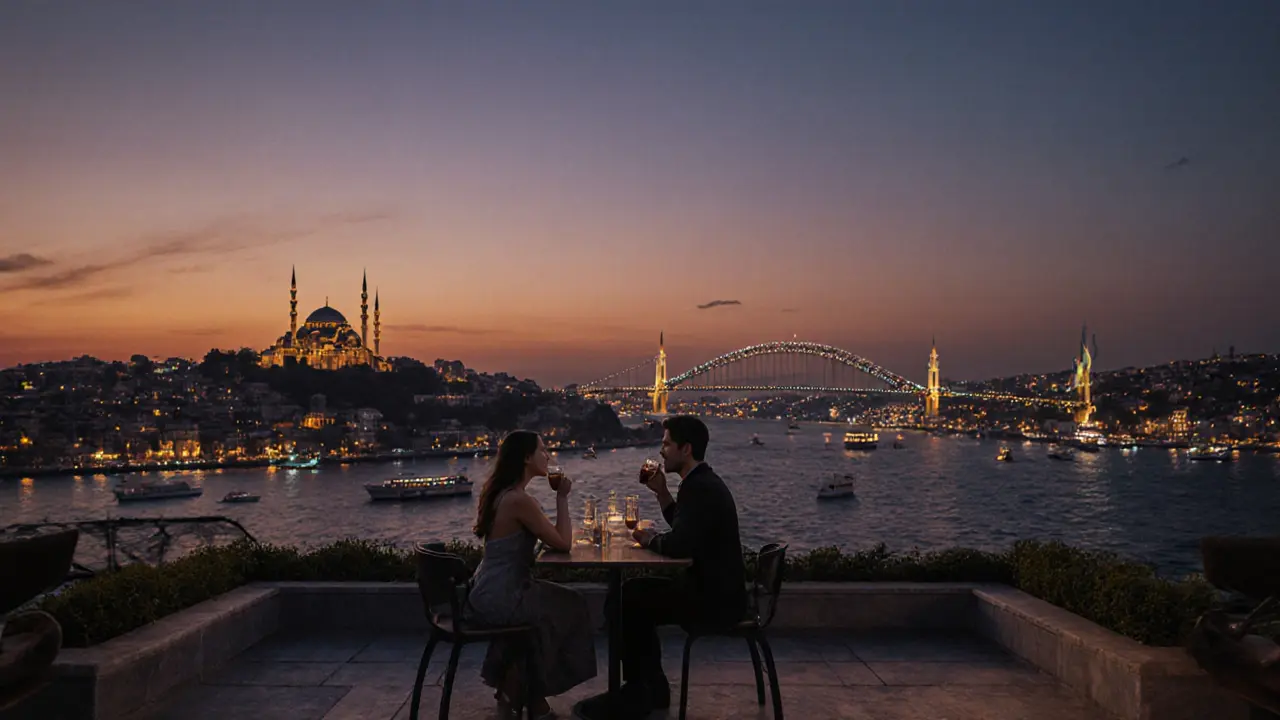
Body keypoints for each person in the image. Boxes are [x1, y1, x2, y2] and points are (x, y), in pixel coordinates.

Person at [576, 416, 747, 720]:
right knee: (632, 594)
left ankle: (636, 693)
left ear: (686, 448)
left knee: (628, 599)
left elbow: (679, 544)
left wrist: (650, 539)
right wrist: (662, 494)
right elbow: (686, 529)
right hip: (718, 591)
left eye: (667, 444)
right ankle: (649, 686)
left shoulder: (699, 488)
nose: (661, 451)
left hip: (713, 601)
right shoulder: (701, 483)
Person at [464, 430, 596, 718]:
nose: (548, 455)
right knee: (569, 606)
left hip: (487, 589)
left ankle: (522, 693)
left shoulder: (506, 495)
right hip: (502, 595)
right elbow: (562, 543)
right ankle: (529, 697)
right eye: (542, 450)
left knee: (545, 614)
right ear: (526, 458)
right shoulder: (519, 501)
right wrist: (562, 497)